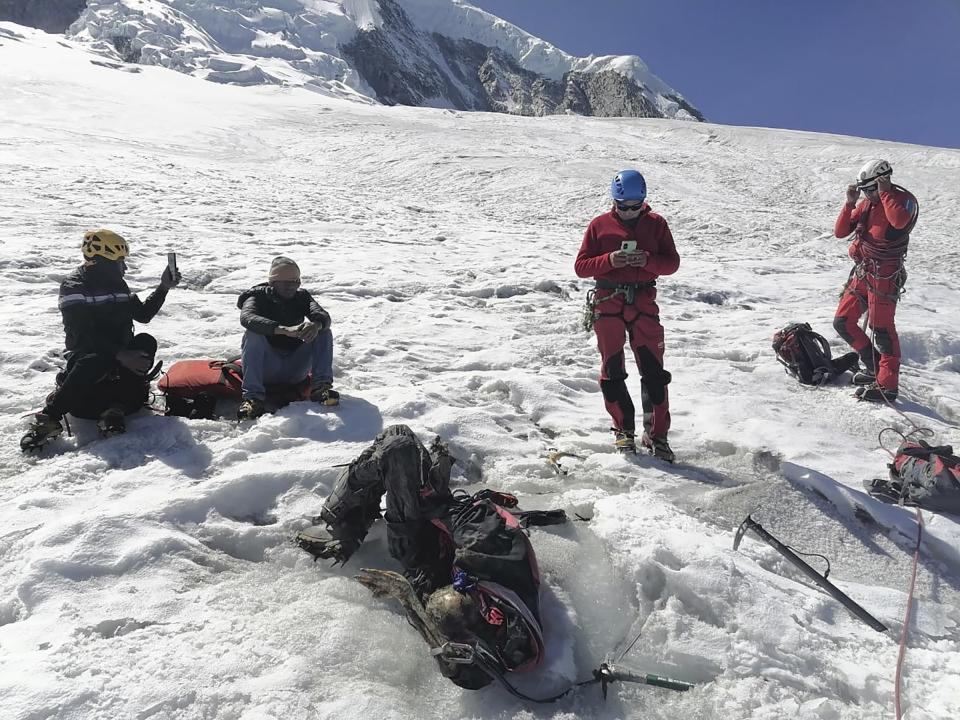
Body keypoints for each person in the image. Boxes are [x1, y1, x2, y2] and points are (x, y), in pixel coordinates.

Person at [295, 425, 565, 690]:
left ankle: (341, 525)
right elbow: (463, 517)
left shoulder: (482, 650)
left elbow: (446, 647)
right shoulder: (491, 555)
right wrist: (432, 496)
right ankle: (350, 518)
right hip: (441, 536)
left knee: (397, 445)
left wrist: (405, 593)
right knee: (401, 441)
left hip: (421, 555)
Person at [20, 229, 180, 451]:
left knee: (145, 342)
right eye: (120, 262)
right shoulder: (74, 286)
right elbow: (82, 333)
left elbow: (143, 315)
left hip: (118, 355)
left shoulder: (118, 285)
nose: (125, 268)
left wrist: (163, 287)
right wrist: (120, 354)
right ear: (104, 262)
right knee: (96, 358)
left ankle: (114, 409)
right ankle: (49, 418)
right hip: (88, 356)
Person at [574, 170, 680, 461]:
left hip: (644, 303)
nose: (631, 212)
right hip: (609, 304)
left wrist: (648, 260)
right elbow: (581, 266)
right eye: (624, 206)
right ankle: (623, 431)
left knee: (655, 373)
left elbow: (672, 263)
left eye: (637, 206)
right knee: (612, 370)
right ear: (615, 201)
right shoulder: (599, 226)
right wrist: (609, 260)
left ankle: (657, 436)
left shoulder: (657, 224)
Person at [832, 159, 918, 403]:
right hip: (863, 272)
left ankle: (887, 385)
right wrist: (850, 203)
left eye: (870, 189)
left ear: (883, 180)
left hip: (884, 275)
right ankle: (874, 368)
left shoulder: (901, 201)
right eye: (865, 191)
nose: (868, 195)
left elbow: (899, 222)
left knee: (882, 330)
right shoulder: (867, 204)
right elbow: (840, 232)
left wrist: (885, 193)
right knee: (842, 322)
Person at [236, 256, 338, 420]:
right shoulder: (256, 297)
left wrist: (316, 325)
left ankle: (321, 388)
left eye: (295, 282)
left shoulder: (302, 297)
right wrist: (282, 330)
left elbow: (322, 316)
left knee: (323, 331)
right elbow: (247, 318)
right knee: (252, 333)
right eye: (286, 282)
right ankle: (253, 398)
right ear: (273, 282)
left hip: (295, 368)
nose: (292, 287)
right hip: (266, 369)